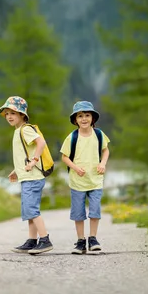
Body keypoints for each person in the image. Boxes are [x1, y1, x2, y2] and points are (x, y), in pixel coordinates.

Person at [0, 95, 53, 255]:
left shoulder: (25, 129)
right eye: (7, 113)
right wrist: (17, 170)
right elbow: (23, 154)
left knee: (31, 210)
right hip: (27, 177)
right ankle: (31, 240)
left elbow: (41, 143)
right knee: (29, 211)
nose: (9, 116)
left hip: (33, 178)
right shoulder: (18, 132)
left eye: (13, 113)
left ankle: (45, 240)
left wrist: (34, 160)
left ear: (22, 115)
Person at [60, 100, 110, 254]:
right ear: (75, 120)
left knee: (95, 210)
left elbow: (106, 150)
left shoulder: (99, 134)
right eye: (80, 116)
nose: (84, 119)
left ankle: (93, 239)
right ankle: (81, 240)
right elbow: (64, 157)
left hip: (95, 180)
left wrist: (102, 163)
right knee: (78, 213)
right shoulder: (72, 137)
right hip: (77, 182)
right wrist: (75, 167)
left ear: (92, 118)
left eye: (87, 115)